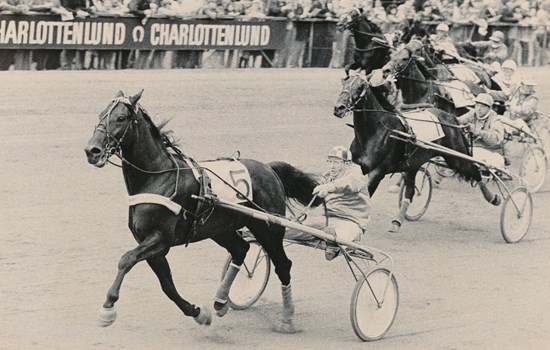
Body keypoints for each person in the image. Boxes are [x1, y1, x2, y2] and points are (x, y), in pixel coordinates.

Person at [285, 146, 371, 261]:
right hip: (327, 220)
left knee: (340, 236)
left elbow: (350, 183)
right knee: (289, 230)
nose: (332, 166)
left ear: (347, 163)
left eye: (336, 162)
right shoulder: (328, 176)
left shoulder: (355, 173)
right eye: (330, 162)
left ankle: (334, 245)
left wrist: (331, 186)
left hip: (351, 221)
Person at [457, 93, 506, 169]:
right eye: (477, 105)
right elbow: (458, 120)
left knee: (486, 164)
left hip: (489, 151)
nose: (479, 109)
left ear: (489, 108)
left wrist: (477, 132)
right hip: (472, 148)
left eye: (483, 106)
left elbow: (497, 140)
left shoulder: (494, 119)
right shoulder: (473, 113)